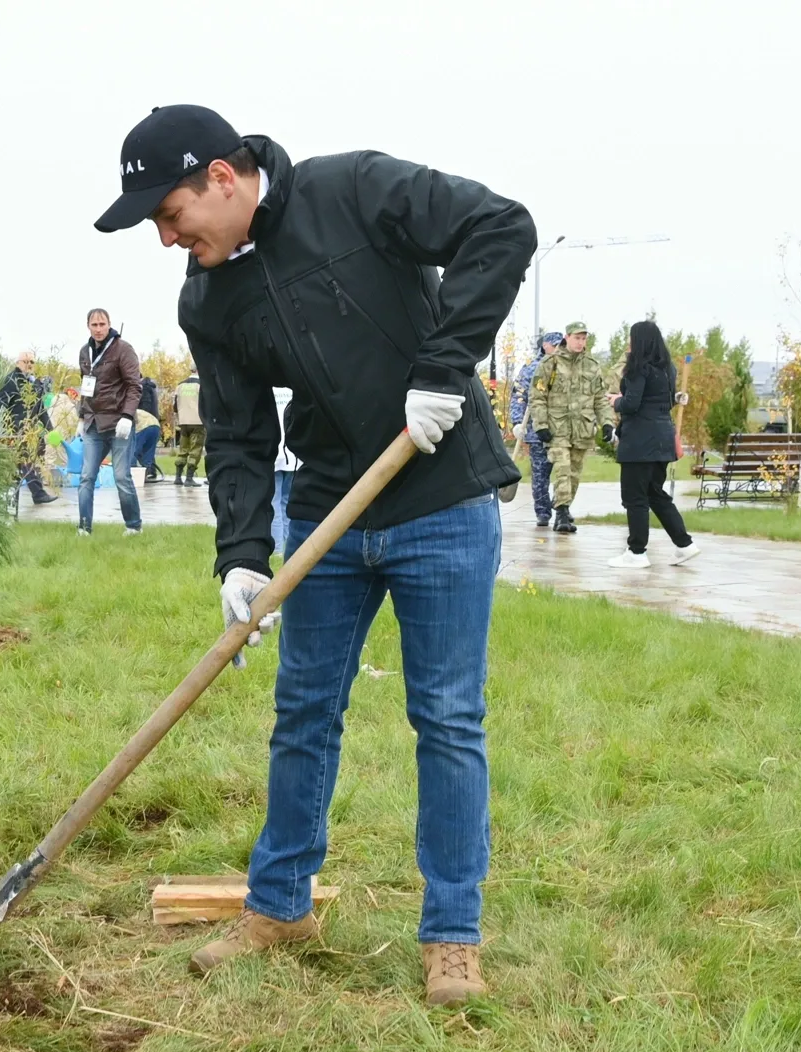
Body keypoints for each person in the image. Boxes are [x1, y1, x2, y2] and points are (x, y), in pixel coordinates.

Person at [96, 104, 530, 1004]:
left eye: (169, 214)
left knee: (447, 719)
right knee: (302, 715)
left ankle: (452, 932)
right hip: (331, 509)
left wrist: (445, 367)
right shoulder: (207, 297)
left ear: (222, 176)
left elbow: (501, 227)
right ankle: (280, 905)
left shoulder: (355, 190)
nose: (165, 237)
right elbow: (241, 437)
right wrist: (243, 555)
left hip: (440, 497)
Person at [606, 321, 699, 568]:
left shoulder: (638, 368)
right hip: (662, 440)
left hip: (639, 444)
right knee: (656, 495)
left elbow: (632, 404)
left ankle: (636, 552)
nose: (629, 343)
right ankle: (684, 544)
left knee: (635, 498)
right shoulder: (667, 368)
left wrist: (616, 401)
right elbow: (664, 402)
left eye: (631, 338)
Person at [526, 321, 612, 533]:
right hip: (557, 429)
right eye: (577, 338)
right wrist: (541, 424)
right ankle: (562, 513)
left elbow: (600, 398)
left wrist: (607, 422)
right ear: (567, 337)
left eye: (584, 339)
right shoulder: (550, 364)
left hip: (582, 429)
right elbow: (537, 396)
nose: (580, 342)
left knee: (574, 473)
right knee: (563, 470)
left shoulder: (592, 366)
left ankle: (564, 506)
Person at [75, 308, 144, 536]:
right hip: (93, 423)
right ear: (88, 326)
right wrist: (80, 417)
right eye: (94, 325)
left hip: (118, 422)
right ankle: (84, 527)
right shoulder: (85, 352)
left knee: (121, 476)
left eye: (102, 324)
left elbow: (135, 386)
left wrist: (127, 415)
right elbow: (86, 386)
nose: (98, 329)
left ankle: (133, 526)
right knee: (86, 476)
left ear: (109, 324)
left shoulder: (123, 349)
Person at [509, 333, 561, 527]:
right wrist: (516, 422)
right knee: (540, 477)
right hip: (535, 431)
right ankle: (543, 513)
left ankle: (562, 508)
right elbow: (519, 395)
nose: (558, 349)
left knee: (565, 473)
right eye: (555, 345)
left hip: (561, 430)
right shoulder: (531, 368)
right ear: (545, 346)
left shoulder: (565, 366)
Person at [0, 351, 59, 505]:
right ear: (18, 363)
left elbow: (40, 409)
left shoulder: (33, 384)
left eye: (32, 362)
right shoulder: (11, 380)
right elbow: (0, 404)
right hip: (15, 431)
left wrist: (50, 429)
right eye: (25, 361)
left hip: (29, 432)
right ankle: (37, 494)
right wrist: (3, 428)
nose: (29, 364)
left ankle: (12, 499)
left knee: (21, 464)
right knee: (25, 462)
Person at [271, 387, 299, 554]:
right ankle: (288, 547)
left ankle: (277, 550)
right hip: (293, 454)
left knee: (274, 502)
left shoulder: (269, 388)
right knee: (287, 501)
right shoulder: (291, 388)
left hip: (275, 452)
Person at [173, 367, 205, 486]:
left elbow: (175, 405)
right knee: (195, 450)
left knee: (183, 449)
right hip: (198, 421)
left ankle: (177, 477)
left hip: (183, 421)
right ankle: (189, 478)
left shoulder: (180, 385)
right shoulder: (201, 385)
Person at [131, 377, 164, 483]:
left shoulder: (142, 389)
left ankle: (133, 475)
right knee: (148, 453)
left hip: (143, 425)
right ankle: (147, 474)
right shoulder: (152, 389)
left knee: (134, 451)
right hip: (155, 423)